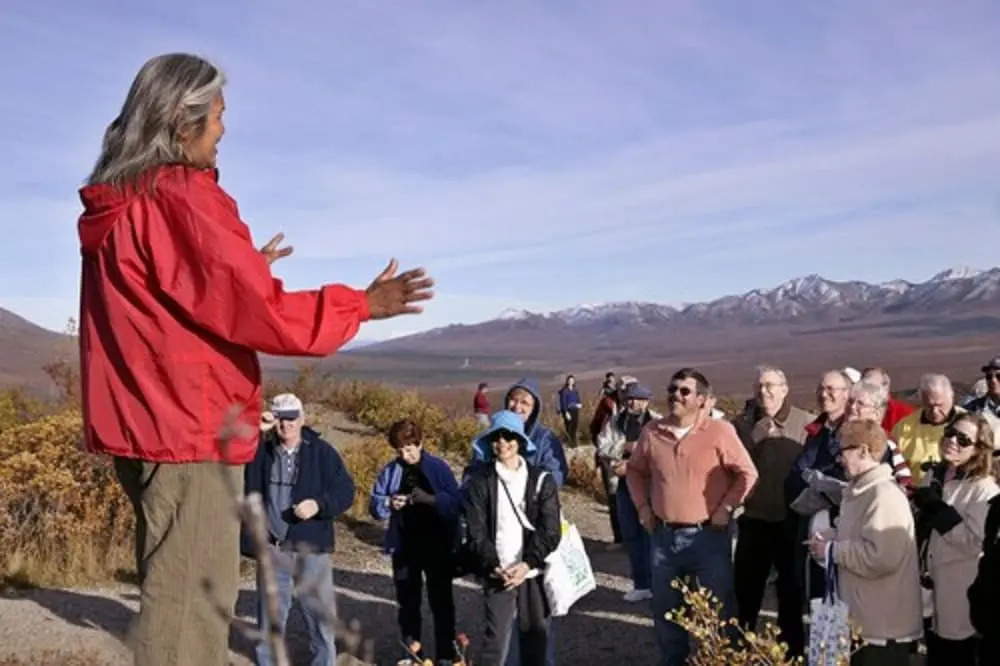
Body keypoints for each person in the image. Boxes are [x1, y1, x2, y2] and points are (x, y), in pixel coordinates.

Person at [77, 53, 434, 666]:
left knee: (172, 588)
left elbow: (163, 304)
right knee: (188, 614)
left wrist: (241, 270)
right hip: (188, 433)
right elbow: (263, 313)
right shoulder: (180, 198)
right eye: (217, 114)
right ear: (180, 121)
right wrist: (361, 305)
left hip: (144, 427)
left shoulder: (125, 202)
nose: (223, 128)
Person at [627, 368, 758, 666]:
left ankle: (723, 661)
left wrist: (727, 508)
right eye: (672, 389)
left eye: (685, 391)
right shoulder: (652, 431)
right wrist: (643, 508)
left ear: (701, 399)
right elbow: (634, 470)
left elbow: (747, 474)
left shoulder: (719, 432)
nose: (676, 395)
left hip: (708, 536)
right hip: (663, 537)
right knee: (666, 611)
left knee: (719, 609)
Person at [241, 394, 356, 666]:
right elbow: (233, 467)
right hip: (273, 546)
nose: (286, 424)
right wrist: (255, 431)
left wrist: (319, 505)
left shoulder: (322, 453)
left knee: (320, 617)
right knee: (270, 617)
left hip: (311, 546)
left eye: (292, 417)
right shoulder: (259, 452)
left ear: (302, 418)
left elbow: (345, 491)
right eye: (280, 418)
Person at [463, 378, 567, 666]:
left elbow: (549, 527)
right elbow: (476, 528)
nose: (502, 442)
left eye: (509, 437)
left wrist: (528, 563)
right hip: (498, 569)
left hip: (532, 566)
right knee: (496, 641)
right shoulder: (481, 481)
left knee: (536, 636)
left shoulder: (541, 474)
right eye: (496, 437)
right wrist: (491, 564)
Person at [808, 419, 922, 666]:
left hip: (883, 630)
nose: (839, 459)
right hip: (864, 622)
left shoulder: (884, 495)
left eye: (842, 451)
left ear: (863, 451)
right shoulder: (862, 492)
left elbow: (882, 557)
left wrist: (833, 550)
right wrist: (832, 537)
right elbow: (861, 537)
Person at [731, 365, 812, 657]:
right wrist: (753, 439)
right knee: (745, 592)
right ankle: (738, 652)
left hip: (792, 520)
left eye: (770, 385)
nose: (763, 391)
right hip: (754, 519)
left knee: (791, 594)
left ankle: (792, 655)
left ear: (785, 389)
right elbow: (731, 466)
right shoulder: (741, 425)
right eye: (759, 386)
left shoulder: (805, 423)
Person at [370, 420, 461, 666]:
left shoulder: (438, 468)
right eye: (400, 450)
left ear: (420, 444)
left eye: (409, 449)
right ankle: (412, 655)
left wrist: (431, 500)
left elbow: (455, 503)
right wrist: (389, 503)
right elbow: (375, 505)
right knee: (408, 604)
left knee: (441, 603)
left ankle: (446, 656)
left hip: (437, 545)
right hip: (404, 546)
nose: (405, 455)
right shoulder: (391, 471)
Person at [913, 414, 999, 665]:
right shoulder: (935, 475)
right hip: (929, 584)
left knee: (956, 656)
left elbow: (976, 542)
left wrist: (939, 513)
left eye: (963, 440)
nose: (952, 441)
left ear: (978, 449)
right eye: (950, 433)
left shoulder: (984, 488)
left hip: (960, 589)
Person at [595, 382, 661, 602]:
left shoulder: (657, 423)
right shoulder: (615, 422)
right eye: (629, 399)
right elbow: (602, 446)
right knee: (631, 535)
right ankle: (640, 584)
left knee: (650, 535)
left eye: (638, 399)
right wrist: (623, 447)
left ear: (646, 401)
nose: (633, 403)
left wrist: (633, 463)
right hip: (623, 486)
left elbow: (663, 452)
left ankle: (656, 583)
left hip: (651, 487)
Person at [557, 374, 582, 446]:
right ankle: (570, 442)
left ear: (574, 381)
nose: (571, 382)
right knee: (569, 426)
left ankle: (574, 442)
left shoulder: (575, 390)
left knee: (575, 426)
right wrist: (566, 412)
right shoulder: (564, 391)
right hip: (568, 410)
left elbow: (578, 399)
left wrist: (579, 404)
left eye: (572, 380)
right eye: (569, 380)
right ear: (567, 381)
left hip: (575, 410)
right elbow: (563, 402)